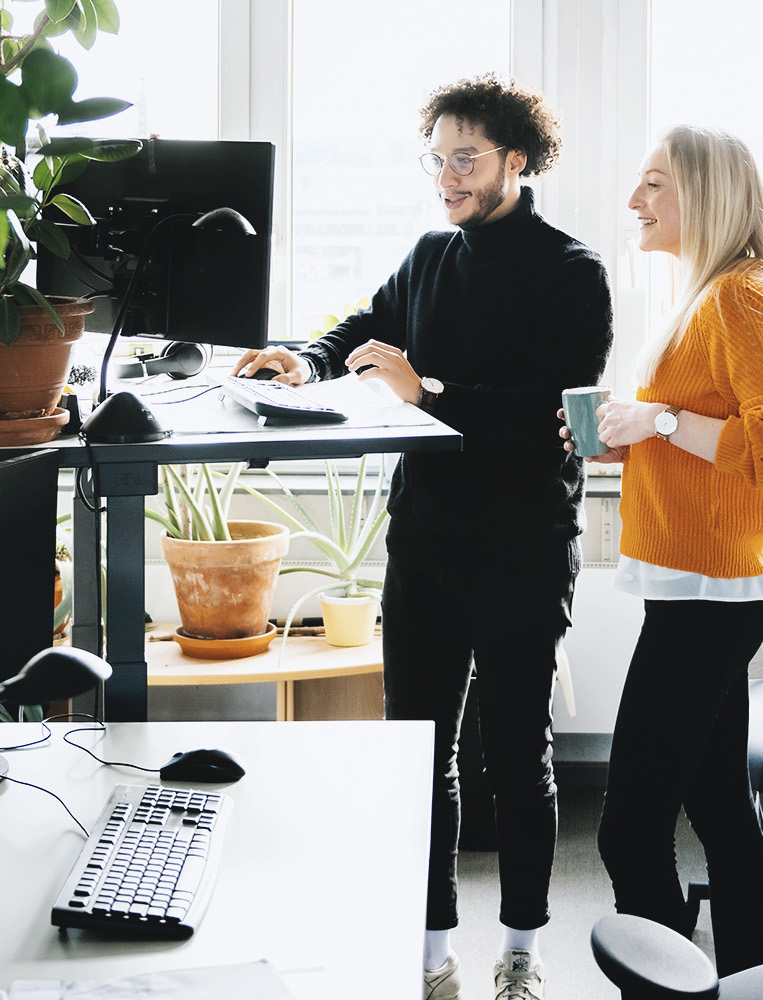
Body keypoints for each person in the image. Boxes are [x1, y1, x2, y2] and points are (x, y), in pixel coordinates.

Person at [237, 74, 613, 1000]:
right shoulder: (429, 256)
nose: (446, 175)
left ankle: (521, 954)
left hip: (523, 542)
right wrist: (307, 357)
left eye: (465, 158)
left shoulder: (575, 273)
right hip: (430, 537)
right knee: (418, 749)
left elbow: (548, 419)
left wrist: (430, 392)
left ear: (516, 161)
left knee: (519, 752)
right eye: (437, 157)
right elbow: (366, 330)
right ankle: (430, 953)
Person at [564, 125, 763, 977]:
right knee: (716, 807)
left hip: (712, 595)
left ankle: (667, 985)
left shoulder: (743, 297)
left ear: (705, 194)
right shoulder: (707, 293)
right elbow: (710, 430)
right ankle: (744, 977)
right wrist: (635, 436)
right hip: (698, 585)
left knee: (627, 829)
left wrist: (661, 419)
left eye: (655, 185)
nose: (635, 201)